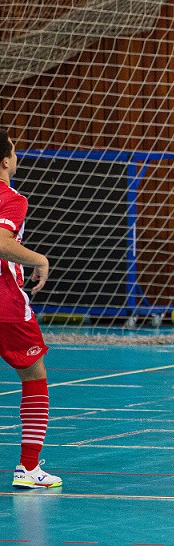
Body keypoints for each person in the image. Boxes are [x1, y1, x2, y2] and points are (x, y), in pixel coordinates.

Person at [0, 130, 59, 488]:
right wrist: (39, 259)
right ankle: (28, 468)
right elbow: (1, 243)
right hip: (5, 302)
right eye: (15, 151)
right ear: (5, 160)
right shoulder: (12, 199)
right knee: (34, 375)